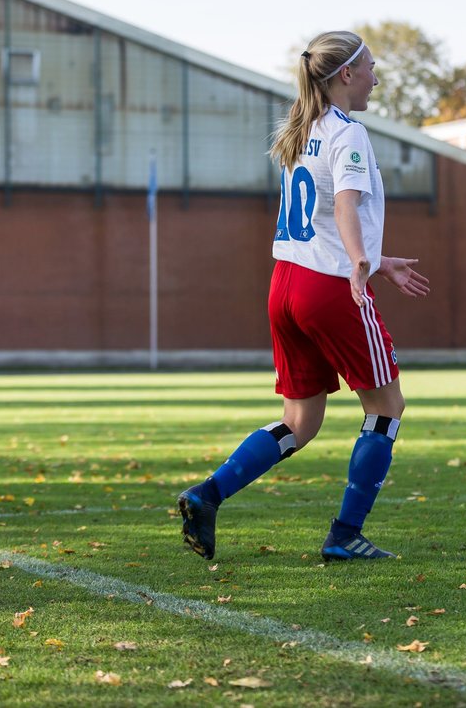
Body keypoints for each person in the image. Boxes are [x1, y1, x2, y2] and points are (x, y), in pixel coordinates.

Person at [178, 31, 430, 562]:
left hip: (287, 284)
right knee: (386, 408)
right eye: (371, 68)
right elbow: (343, 206)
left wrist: (376, 261)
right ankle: (344, 535)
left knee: (300, 423)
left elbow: (317, 221)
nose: (376, 78)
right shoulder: (348, 133)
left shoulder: (302, 127)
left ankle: (207, 494)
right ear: (346, 74)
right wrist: (361, 264)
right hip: (331, 288)